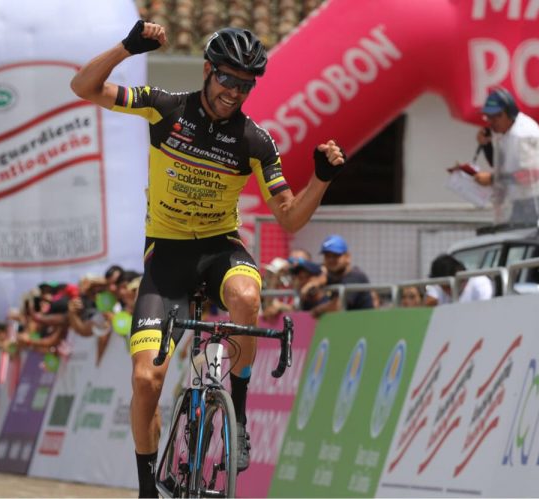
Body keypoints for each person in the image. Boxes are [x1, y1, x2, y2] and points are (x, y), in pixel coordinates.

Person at [70, 21, 346, 497]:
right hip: (167, 257)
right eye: (226, 79)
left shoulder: (255, 141)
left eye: (244, 85)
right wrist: (127, 48)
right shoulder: (165, 107)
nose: (233, 92)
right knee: (145, 380)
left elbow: (290, 218)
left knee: (247, 297)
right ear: (206, 70)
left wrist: (320, 179)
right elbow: (84, 87)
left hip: (221, 249)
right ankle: (147, 488)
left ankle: (237, 415)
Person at [469, 88, 539, 225]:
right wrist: (486, 145)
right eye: (488, 117)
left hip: (537, 201)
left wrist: (492, 179)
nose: (492, 122)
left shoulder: (521, 134)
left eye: (497, 116)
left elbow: (532, 175)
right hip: (524, 201)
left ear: (509, 113)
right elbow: (501, 166)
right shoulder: (508, 132)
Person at [309, 234, 373, 317]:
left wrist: (316, 311)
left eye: (336, 255)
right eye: (327, 256)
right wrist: (314, 284)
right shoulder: (328, 277)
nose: (331, 260)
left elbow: (338, 306)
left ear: (347, 257)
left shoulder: (356, 276)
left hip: (362, 323)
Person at [424, 254, 493, 305]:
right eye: (444, 288)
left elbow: (484, 312)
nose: (447, 291)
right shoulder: (440, 289)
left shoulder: (480, 283)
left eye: (448, 287)